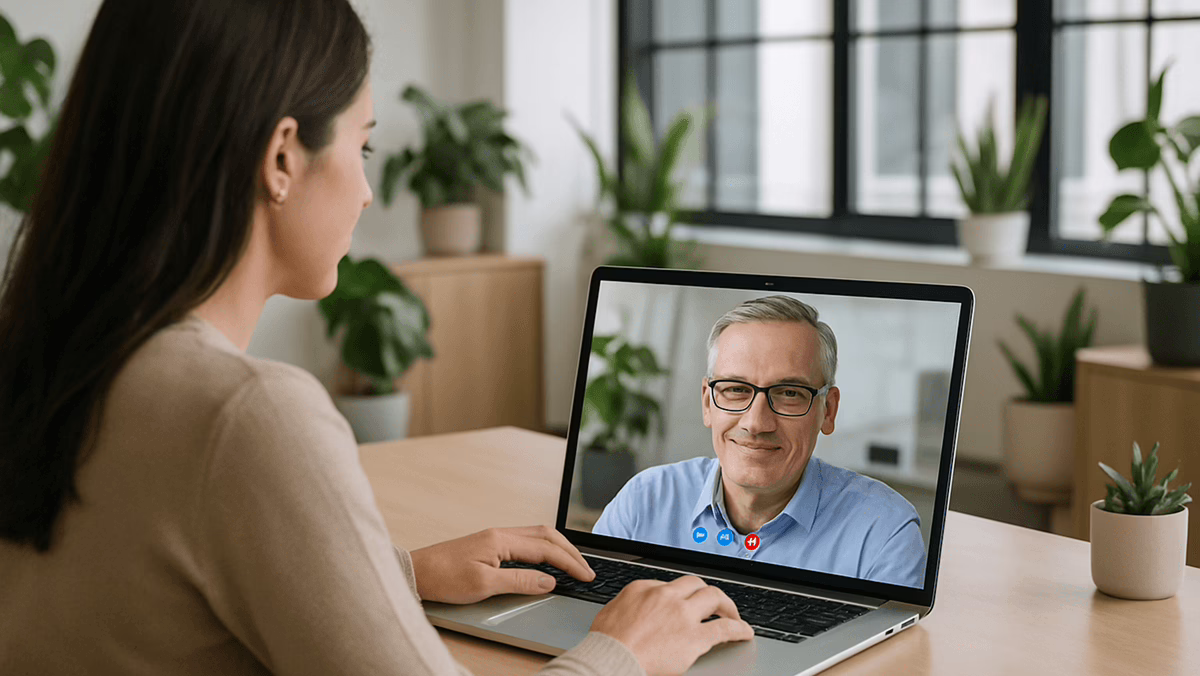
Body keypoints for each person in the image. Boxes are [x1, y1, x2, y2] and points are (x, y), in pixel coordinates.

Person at [0, 1, 753, 674]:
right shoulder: (245, 415)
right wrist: (626, 652)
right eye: (362, 147)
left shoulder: (53, 356)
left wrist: (389, 574)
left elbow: (147, 590)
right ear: (283, 157)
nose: (366, 190)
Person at [593, 296, 927, 588]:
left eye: (789, 394)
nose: (756, 423)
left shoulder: (884, 534)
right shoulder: (643, 502)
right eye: (736, 389)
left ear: (828, 411)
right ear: (708, 404)